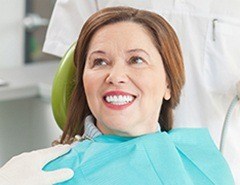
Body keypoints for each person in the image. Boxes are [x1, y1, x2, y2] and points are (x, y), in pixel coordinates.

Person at [43, 1, 240, 182]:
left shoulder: (205, 167)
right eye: (100, 61)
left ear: (168, 84)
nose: (116, 76)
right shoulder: (55, 173)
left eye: (136, 60)